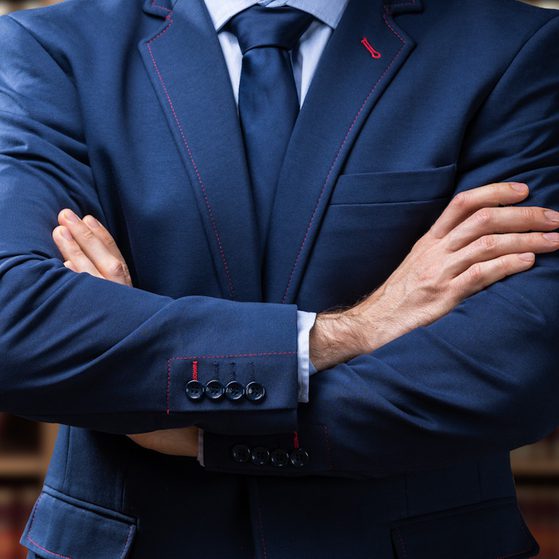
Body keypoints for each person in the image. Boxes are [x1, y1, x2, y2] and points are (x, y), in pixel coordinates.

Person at [0, 0, 558, 557]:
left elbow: (521, 361)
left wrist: (198, 429)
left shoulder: (518, 48)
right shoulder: (48, 48)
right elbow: (15, 323)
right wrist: (357, 328)